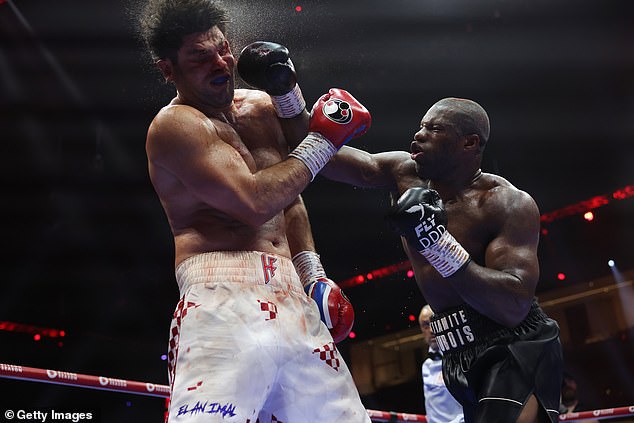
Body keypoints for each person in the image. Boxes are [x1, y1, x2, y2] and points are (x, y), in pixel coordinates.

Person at [136, 0, 372, 421]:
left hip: (292, 295)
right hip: (221, 293)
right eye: (199, 57)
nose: (220, 62)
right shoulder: (174, 126)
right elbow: (253, 202)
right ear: (168, 70)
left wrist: (312, 274)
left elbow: (288, 194)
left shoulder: (260, 108)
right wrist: (322, 141)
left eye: (222, 48)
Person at [321, 97, 563, 423]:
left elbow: (513, 303)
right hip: (454, 351)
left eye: (434, 129)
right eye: (421, 126)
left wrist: (436, 243)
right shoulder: (404, 172)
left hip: (515, 347)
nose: (418, 135)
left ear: (470, 142)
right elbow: (325, 159)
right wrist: (284, 98)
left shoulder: (506, 203)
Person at [419, 304, 464, 423]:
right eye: (426, 325)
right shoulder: (426, 367)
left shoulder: (461, 358)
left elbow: (473, 401)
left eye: (434, 322)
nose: (432, 330)